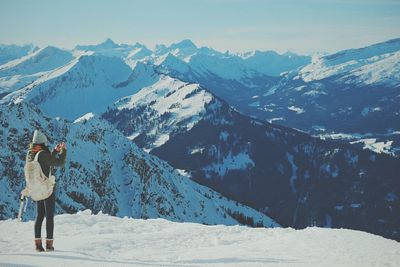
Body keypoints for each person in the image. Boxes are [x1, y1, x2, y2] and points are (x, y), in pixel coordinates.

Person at [26, 130, 67, 252]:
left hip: (36, 188)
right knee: (49, 216)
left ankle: (38, 245)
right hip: (47, 189)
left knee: (39, 215)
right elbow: (59, 163)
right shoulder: (43, 154)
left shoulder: (30, 153)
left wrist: (54, 151)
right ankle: (49, 244)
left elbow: (46, 163)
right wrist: (63, 151)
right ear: (42, 142)